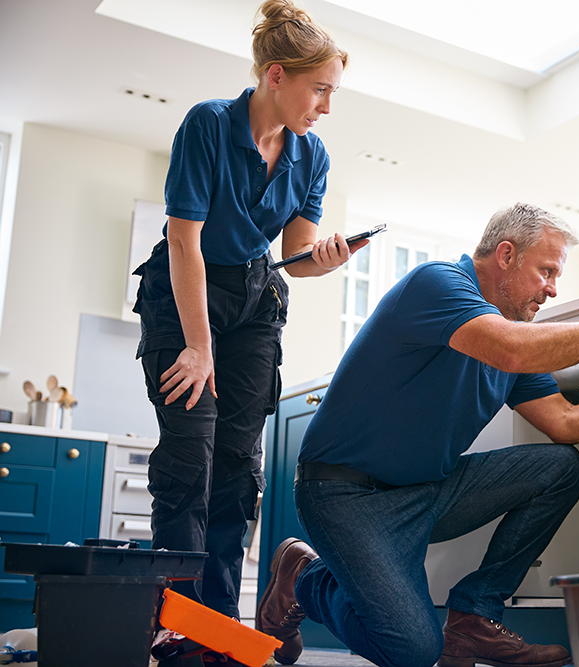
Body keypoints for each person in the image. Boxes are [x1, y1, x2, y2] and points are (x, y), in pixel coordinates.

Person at [255, 203, 579, 667]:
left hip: (426, 493)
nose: (552, 288)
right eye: (546, 270)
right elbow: (509, 350)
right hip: (343, 494)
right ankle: (305, 576)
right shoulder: (437, 284)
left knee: (559, 467)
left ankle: (473, 618)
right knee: (413, 650)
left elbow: (566, 422)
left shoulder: (514, 335)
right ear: (505, 255)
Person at [132, 0, 362, 622]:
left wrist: (330, 258)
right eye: (320, 89)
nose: (326, 106)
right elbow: (185, 241)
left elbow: (295, 257)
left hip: (256, 302)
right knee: (189, 456)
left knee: (238, 468)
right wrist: (197, 345)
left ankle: (218, 626)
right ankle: (173, 624)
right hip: (183, 295)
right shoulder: (207, 126)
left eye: (332, 92)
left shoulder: (311, 155)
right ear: (276, 76)